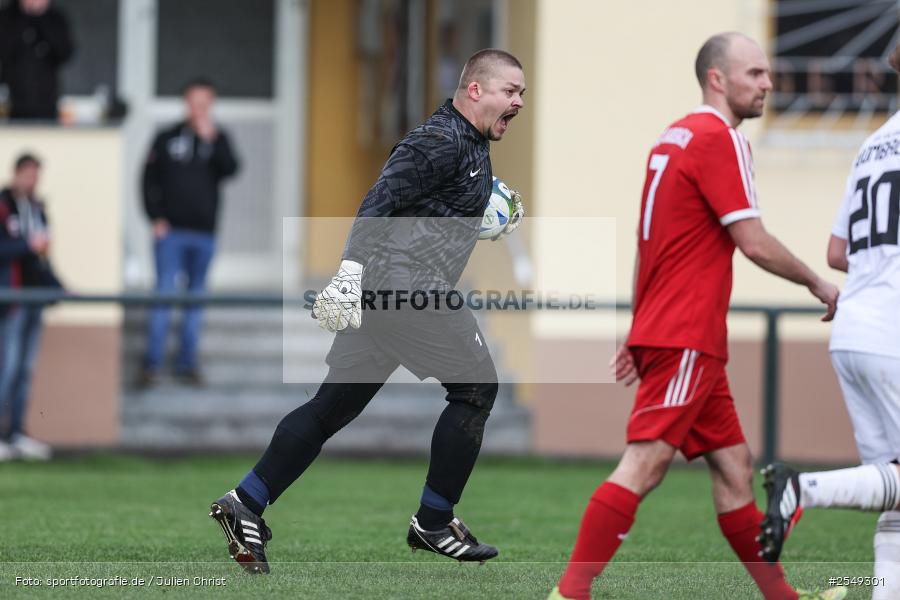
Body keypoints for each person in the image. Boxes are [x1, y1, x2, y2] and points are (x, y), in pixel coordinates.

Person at [548, 33, 846, 600]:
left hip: (678, 331)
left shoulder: (672, 137)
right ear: (717, 78)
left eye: (767, 74)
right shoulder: (721, 138)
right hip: (687, 334)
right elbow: (752, 241)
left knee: (736, 468)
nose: (767, 83)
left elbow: (647, 243)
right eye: (755, 74)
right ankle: (570, 593)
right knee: (644, 464)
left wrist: (639, 327)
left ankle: (784, 598)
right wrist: (816, 281)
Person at [208, 48, 525, 574]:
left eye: (521, 94)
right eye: (510, 91)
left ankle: (248, 500)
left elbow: (422, 206)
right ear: (475, 90)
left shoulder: (468, 142)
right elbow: (377, 202)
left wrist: (476, 209)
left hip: (390, 291)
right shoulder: (438, 139)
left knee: (334, 406)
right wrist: (348, 273)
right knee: (477, 388)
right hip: (405, 287)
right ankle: (435, 520)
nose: (518, 102)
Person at [758, 43, 900, 600]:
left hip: (856, 326)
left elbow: (838, 250)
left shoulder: (873, 143)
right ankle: (802, 489)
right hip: (892, 328)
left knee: (892, 488)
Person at [140, 78, 239, 386]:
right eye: (194, 102)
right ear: (186, 103)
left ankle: (187, 364)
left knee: (196, 299)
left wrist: (211, 139)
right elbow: (147, 179)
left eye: (204, 103)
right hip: (170, 233)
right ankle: (152, 364)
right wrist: (155, 217)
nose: (198, 109)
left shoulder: (218, 137)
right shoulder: (166, 136)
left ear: (211, 104)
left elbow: (232, 168)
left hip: (204, 233)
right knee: (164, 296)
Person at [0, 153, 62, 461]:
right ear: (16, 173)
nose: (32, 180)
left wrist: (59, 285)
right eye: (27, 173)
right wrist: (27, 244)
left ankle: (17, 433)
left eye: (36, 174)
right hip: (11, 300)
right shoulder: (3, 205)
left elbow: (41, 259)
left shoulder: (38, 209)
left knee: (25, 370)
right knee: (6, 368)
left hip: (34, 299)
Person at [0, 0, 74, 120]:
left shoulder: (55, 18)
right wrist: (24, 15)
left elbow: (65, 53)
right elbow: (4, 50)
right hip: (12, 104)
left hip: (48, 104)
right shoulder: (7, 16)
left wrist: (41, 18)